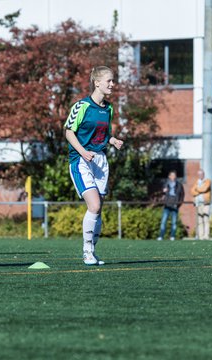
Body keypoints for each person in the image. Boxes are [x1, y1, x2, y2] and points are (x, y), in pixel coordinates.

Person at [64, 66, 123, 265]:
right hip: (81, 160)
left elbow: (103, 135)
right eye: (109, 81)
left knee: (99, 209)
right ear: (97, 83)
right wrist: (82, 152)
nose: (112, 84)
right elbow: (68, 132)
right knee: (94, 205)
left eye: (113, 81)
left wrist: (112, 140)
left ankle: (92, 251)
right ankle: (86, 251)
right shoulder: (81, 106)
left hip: (100, 161)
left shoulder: (109, 109)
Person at [157, 171, 185, 241]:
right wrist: (163, 191)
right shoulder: (166, 184)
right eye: (172, 175)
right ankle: (161, 236)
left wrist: (179, 203)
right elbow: (161, 193)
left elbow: (182, 195)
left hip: (175, 205)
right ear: (169, 176)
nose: (173, 177)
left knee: (174, 222)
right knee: (163, 221)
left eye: (174, 175)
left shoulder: (179, 185)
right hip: (167, 205)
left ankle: (172, 236)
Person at [191, 169, 211, 240]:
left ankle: (206, 236)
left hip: (206, 203)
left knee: (206, 219)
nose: (200, 175)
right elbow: (192, 192)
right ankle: (201, 236)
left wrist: (197, 189)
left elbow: (204, 189)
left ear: (203, 174)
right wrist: (198, 190)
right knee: (199, 220)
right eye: (199, 174)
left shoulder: (208, 181)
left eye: (201, 174)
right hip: (198, 203)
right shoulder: (196, 182)